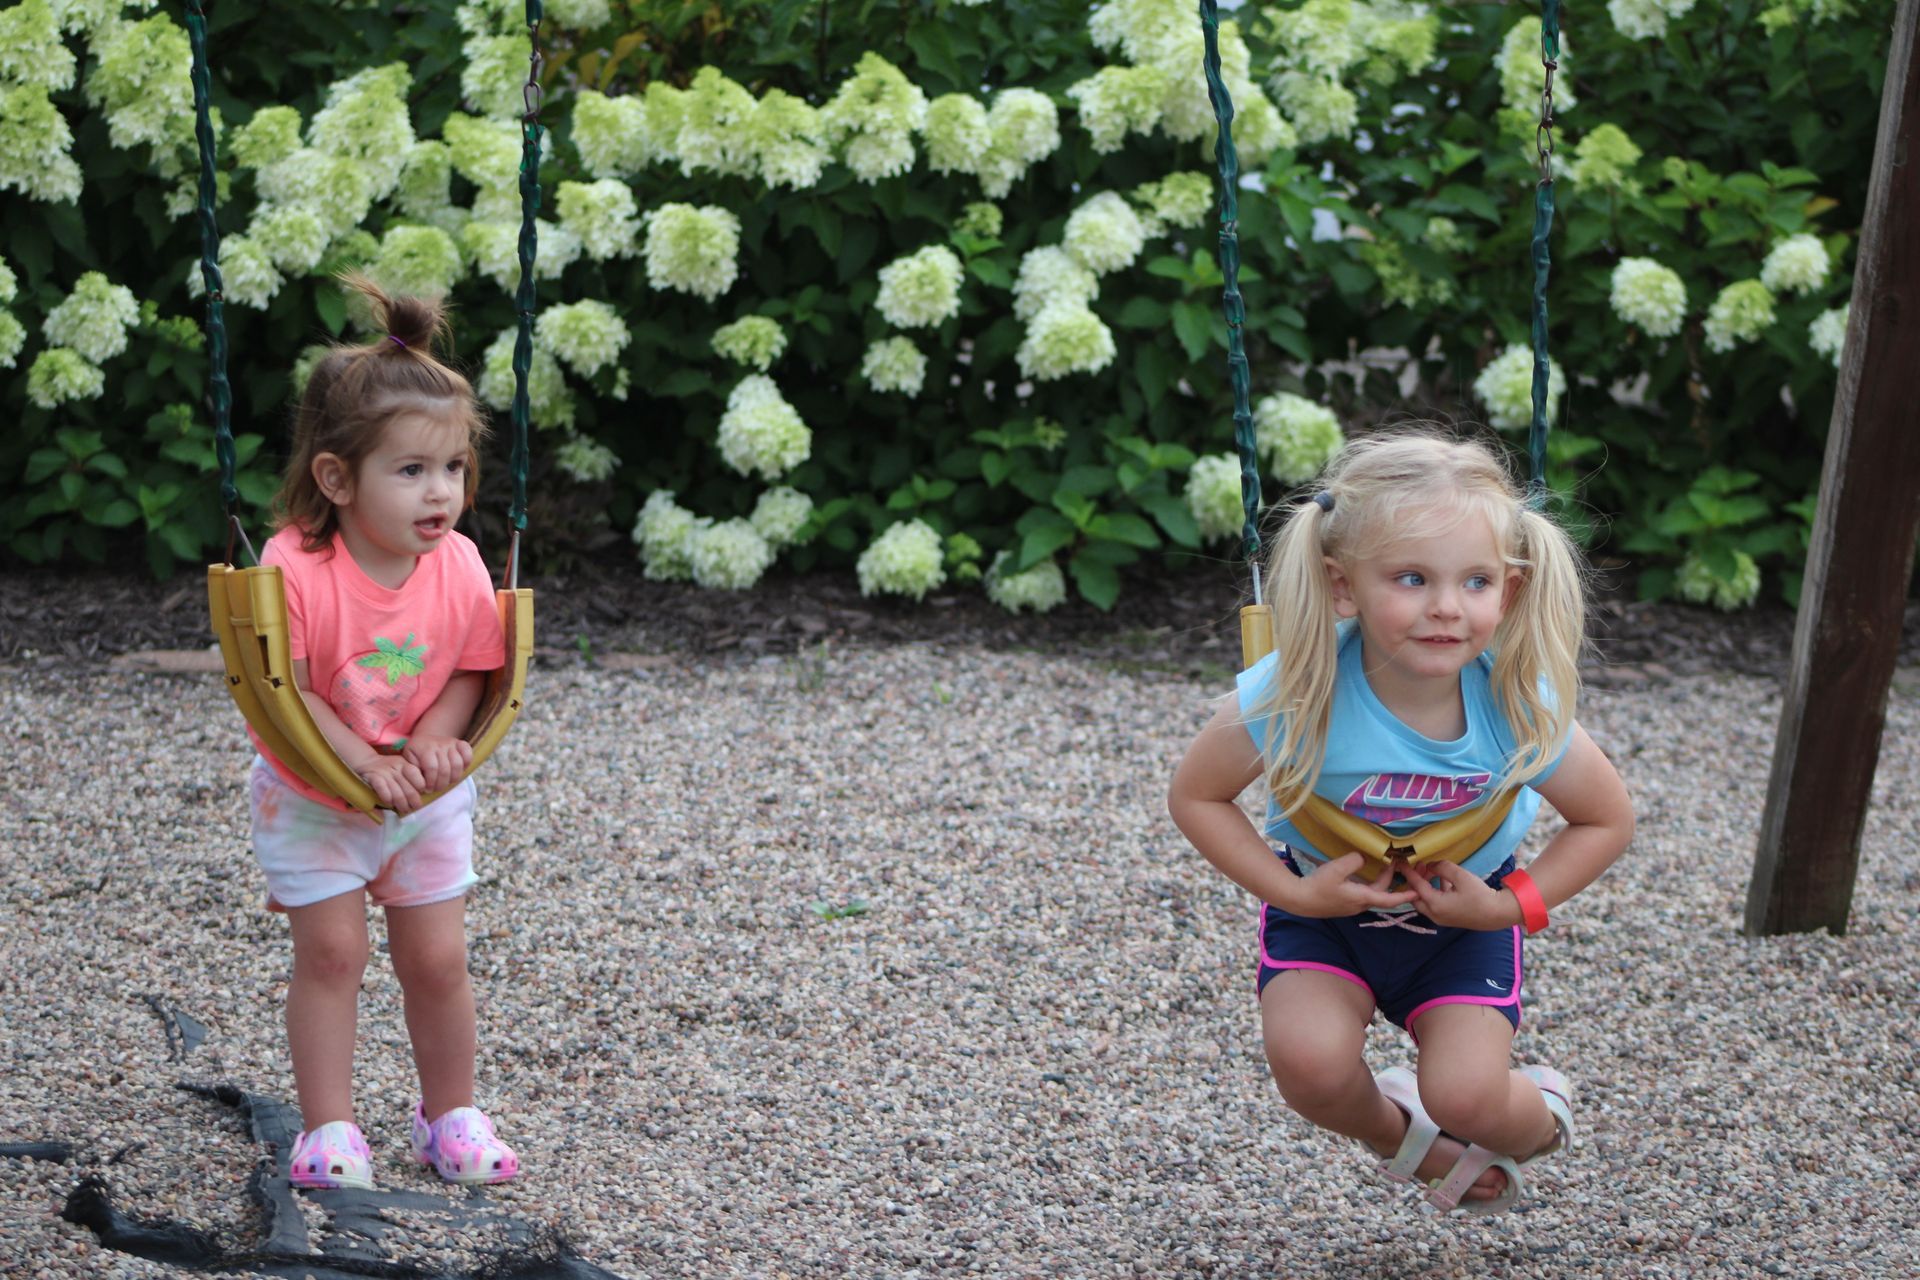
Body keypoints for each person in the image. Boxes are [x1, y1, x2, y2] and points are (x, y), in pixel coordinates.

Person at [1167, 429, 1633, 1213]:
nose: (1447, 608)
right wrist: (1299, 896)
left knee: (1471, 1099)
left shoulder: (1517, 703)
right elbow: (1197, 796)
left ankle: (1537, 1120)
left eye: (1476, 581)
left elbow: (1605, 820)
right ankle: (1401, 1137)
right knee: (1308, 1069)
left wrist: (1505, 906)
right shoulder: (1297, 690)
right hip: (1326, 918)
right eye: (1412, 578)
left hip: (1463, 923)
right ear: (1342, 586)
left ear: (1509, 591)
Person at [245, 273, 519, 1191]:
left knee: (437, 959)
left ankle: (450, 1115)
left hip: (424, 799)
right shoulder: (295, 567)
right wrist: (363, 757)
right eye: (411, 471)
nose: (440, 493)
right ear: (337, 477)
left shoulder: (461, 563)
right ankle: (329, 1128)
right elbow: (286, 686)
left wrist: (439, 742)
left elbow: (477, 664)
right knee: (333, 954)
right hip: (316, 791)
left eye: (452, 468)